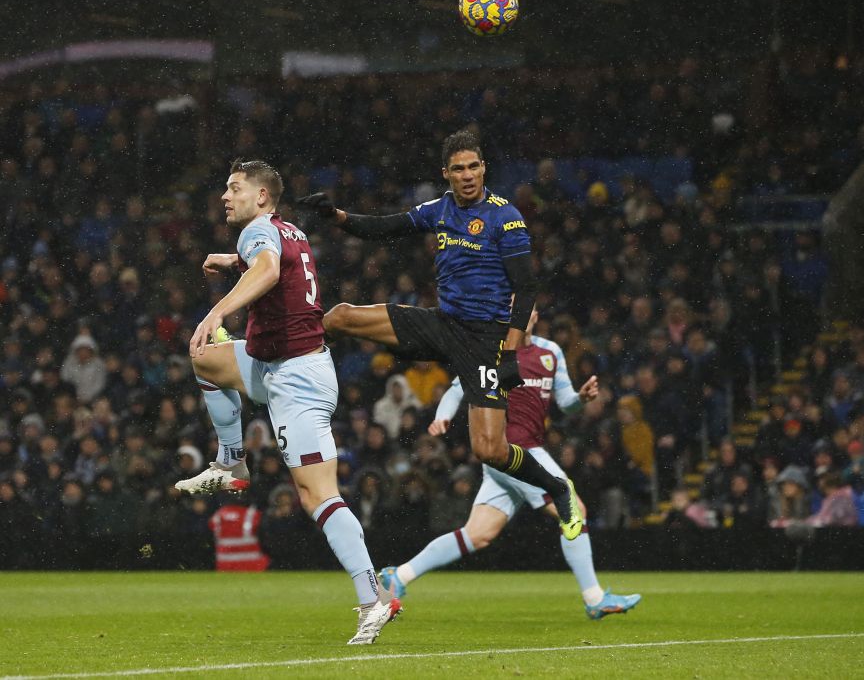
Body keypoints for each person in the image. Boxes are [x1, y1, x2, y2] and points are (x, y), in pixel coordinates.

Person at [297, 130, 583, 539]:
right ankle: (274, 349)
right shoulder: (441, 209)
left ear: (483, 168)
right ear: (445, 173)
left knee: (490, 450)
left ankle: (557, 486)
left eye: (474, 167)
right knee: (340, 316)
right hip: (442, 325)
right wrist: (336, 216)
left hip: (486, 340)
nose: (467, 175)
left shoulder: (507, 217)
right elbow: (385, 227)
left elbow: (527, 287)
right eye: (458, 169)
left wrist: (510, 351)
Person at [171, 159, 398, 645]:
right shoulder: (286, 229)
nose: (225, 197)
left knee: (318, 496)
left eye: (234, 188)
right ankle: (231, 462)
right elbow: (279, 262)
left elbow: (270, 270)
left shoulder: (256, 233)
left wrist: (218, 308)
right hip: (273, 363)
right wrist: (233, 264)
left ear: (262, 198)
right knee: (206, 362)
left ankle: (373, 599)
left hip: (298, 379)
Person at [378, 309, 641, 619]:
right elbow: (457, 388)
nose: (521, 313)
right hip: (512, 450)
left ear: (534, 315)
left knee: (478, 534)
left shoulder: (551, 351)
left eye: (525, 308)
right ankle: (595, 598)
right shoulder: (492, 350)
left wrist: (581, 399)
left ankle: (400, 576)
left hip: (519, 455)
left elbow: (565, 403)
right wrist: (442, 416)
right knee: (574, 509)